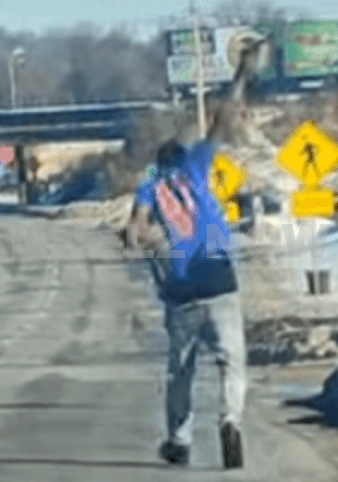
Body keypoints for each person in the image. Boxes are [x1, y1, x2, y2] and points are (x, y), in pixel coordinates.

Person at [125, 119, 246, 470]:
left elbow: (137, 229)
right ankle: (230, 422)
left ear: (159, 165)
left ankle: (179, 441)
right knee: (232, 360)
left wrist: (143, 241)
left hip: (182, 288)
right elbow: (220, 129)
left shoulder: (149, 188)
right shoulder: (197, 170)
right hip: (220, 274)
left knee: (181, 369)